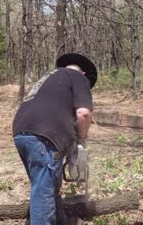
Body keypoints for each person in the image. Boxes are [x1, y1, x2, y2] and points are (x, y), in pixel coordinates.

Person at [12, 53, 97, 225]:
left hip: (21, 132)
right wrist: (81, 139)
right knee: (44, 194)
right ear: (85, 74)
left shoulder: (47, 79)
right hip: (44, 136)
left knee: (48, 188)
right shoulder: (79, 78)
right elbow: (83, 113)